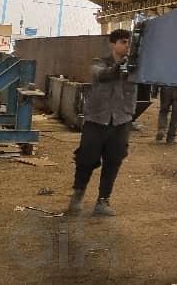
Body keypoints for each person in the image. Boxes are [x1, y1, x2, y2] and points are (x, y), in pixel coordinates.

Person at [67, 29, 137, 217]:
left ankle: (103, 200)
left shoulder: (136, 66)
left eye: (129, 42)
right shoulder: (99, 62)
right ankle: (78, 194)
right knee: (86, 158)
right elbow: (103, 75)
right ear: (113, 44)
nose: (127, 45)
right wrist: (120, 66)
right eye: (123, 42)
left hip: (121, 120)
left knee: (114, 160)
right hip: (97, 119)